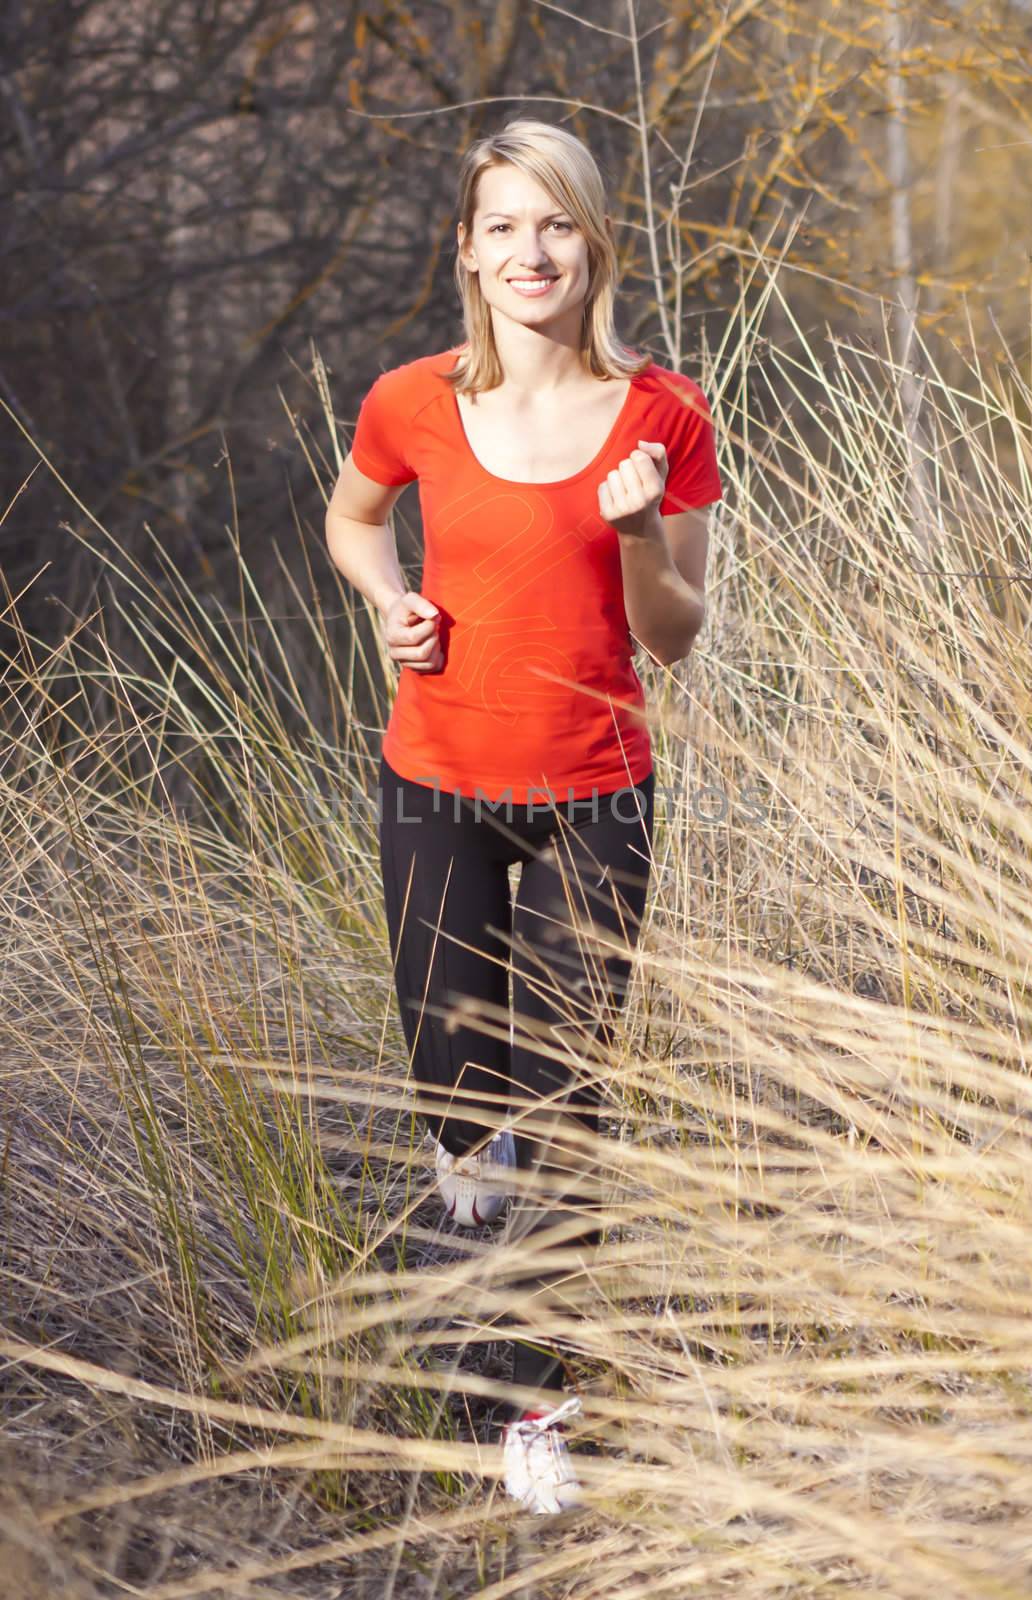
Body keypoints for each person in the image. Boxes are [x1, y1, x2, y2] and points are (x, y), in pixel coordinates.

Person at [324, 117, 723, 1515]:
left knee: (562, 1101)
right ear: (469, 252)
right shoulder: (411, 398)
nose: (530, 252)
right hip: (434, 787)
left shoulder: (663, 413)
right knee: (456, 1102)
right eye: (504, 226)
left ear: (592, 243)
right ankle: (486, 1318)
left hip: (592, 802)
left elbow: (675, 635)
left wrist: (629, 530)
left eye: (554, 224)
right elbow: (355, 516)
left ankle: (527, 1401)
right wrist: (391, 602)